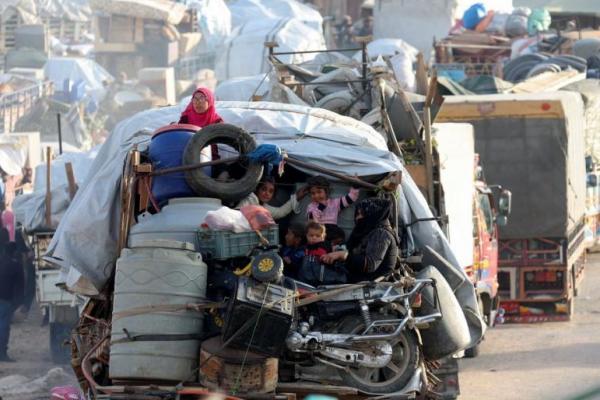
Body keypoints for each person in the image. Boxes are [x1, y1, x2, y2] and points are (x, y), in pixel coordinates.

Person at [321, 198, 398, 282]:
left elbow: (370, 265)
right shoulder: (371, 231)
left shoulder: (381, 233)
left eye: (361, 214)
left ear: (372, 214)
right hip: (358, 279)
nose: (357, 218)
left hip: (369, 285)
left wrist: (343, 255)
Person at [179, 87, 223, 162]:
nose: (198, 102)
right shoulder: (185, 118)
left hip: (211, 157)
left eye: (202, 98)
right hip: (189, 157)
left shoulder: (216, 120)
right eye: (195, 99)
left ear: (209, 101)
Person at [237, 177, 307, 220]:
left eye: (271, 191)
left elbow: (281, 212)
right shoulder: (250, 198)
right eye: (264, 189)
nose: (267, 193)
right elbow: (237, 214)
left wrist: (297, 197)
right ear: (257, 189)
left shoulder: (264, 207)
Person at [0, 241, 25, 362]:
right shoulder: (15, 265)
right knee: (3, 327)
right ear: (15, 252)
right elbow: (21, 285)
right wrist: (20, 303)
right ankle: (2, 353)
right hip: (6, 300)